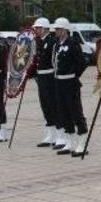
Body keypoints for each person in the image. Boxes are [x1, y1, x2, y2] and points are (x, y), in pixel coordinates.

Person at [52, 17, 89, 157]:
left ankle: (82, 142)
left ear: (65, 30)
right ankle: (70, 141)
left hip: (70, 83)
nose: (56, 31)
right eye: (56, 29)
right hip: (59, 82)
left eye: (59, 29)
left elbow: (82, 62)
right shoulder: (57, 45)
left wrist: (74, 75)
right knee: (64, 112)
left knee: (76, 112)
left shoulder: (73, 43)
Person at [32, 17, 59, 148]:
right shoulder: (39, 42)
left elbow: (54, 60)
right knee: (45, 105)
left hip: (50, 76)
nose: (36, 30)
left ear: (45, 28)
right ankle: (50, 133)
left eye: (38, 28)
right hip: (41, 77)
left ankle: (58, 134)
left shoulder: (52, 41)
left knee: (53, 104)